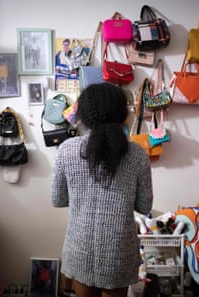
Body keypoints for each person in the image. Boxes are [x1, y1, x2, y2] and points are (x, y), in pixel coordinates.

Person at [51, 83, 154, 297]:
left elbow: (58, 199)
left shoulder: (66, 150)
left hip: (80, 246)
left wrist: (83, 196)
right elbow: (145, 207)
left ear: (84, 115)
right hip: (119, 249)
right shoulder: (136, 154)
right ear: (122, 113)